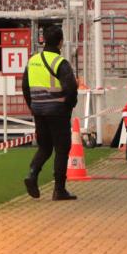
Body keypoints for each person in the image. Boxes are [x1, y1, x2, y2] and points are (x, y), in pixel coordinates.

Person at [22, 25, 78, 201]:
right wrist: (69, 106)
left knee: (44, 147)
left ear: (44, 40)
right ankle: (59, 190)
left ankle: (32, 174)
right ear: (60, 42)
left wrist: (33, 106)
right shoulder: (60, 63)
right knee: (62, 149)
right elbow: (71, 89)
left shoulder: (32, 61)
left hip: (39, 110)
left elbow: (25, 87)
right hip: (58, 111)